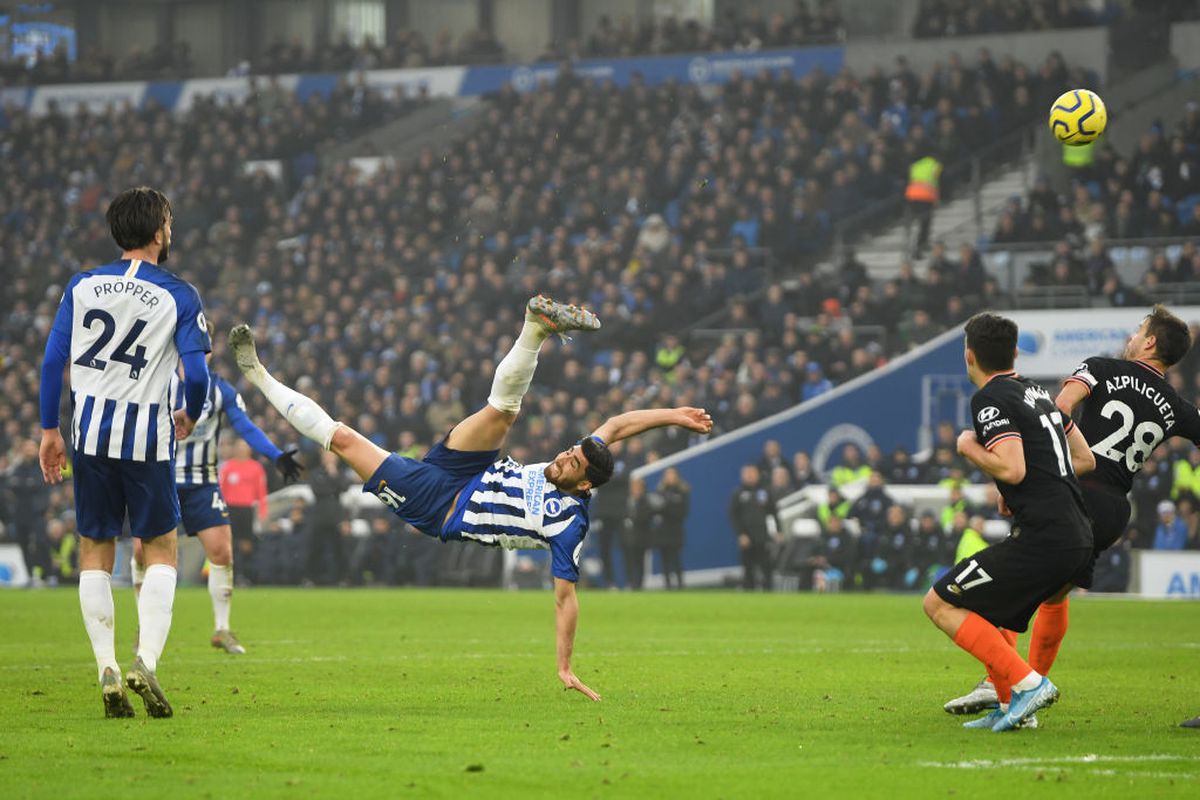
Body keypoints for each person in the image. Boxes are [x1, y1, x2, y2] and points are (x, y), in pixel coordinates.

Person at [228, 295, 712, 701]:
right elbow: (618, 425)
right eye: (570, 451)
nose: (563, 457)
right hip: (471, 467)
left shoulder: (568, 525)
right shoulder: (585, 458)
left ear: (584, 487)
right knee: (502, 412)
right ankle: (534, 328)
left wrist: (564, 666)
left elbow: (566, 599)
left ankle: (257, 374)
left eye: (572, 464)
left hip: (442, 507)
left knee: (346, 439)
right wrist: (675, 414)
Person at [945, 305, 1200, 716]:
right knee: (1053, 593)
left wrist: (1022, 481)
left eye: (1139, 330)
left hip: (1073, 490)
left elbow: (1056, 411)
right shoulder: (1175, 404)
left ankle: (1005, 684)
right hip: (1115, 508)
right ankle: (1024, 688)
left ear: (1150, 342)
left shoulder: (1101, 368)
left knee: (1016, 581)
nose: (1132, 336)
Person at [39, 186, 212, 718]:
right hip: (146, 440)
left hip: (88, 437)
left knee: (95, 549)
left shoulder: (82, 284)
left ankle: (106, 669)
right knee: (160, 548)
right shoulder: (178, 294)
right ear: (160, 230)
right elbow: (199, 374)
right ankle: (146, 661)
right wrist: (189, 412)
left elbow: (51, 364)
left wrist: (50, 431)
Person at [922, 312, 1096, 732]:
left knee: (940, 602)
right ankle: (1010, 708)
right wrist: (1017, 491)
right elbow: (1085, 460)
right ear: (1015, 352)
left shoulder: (989, 398)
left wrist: (968, 448)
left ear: (969, 355)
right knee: (995, 608)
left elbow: (1013, 468)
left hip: (1046, 537)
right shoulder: (1036, 392)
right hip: (1077, 531)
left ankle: (1026, 684)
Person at [130, 336, 304, 655]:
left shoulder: (222, 390)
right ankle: (144, 627)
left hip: (202, 484)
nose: (197, 355)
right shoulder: (156, 381)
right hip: (160, 478)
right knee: (142, 553)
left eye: (203, 349)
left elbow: (246, 427)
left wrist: (276, 455)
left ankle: (222, 629)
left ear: (209, 353)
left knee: (222, 552)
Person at [220, 440, 270, 582]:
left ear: (249, 450)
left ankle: (245, 575)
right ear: (235, 449)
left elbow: (261, 491)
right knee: (229, 543)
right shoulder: (228, 467)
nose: (242, 450)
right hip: (230, 509)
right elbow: (221, 490)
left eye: (244, 447)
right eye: (239, 447)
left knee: (246, 545)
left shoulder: (256, 467)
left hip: (246, 509)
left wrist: (263, 511)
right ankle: (231, 575)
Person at [729, 464, 774, 590]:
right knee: (748, 569)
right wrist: (740, 534)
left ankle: (769, 596)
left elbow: (773, 512)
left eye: (752, 473)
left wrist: (777, 531)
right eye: (747, 473)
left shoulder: (765, 492)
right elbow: (733, 516)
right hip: (746, 538)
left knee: (767, 568)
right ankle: (749, 595)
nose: (749, 476)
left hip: (763, 537)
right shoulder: (738, 494)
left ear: (757, 474)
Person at [656, 467, 689, 590]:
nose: (669, 477)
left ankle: (680, 585)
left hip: (676, 530)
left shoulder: (682, 491)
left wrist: (666, 508)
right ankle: (668, 585)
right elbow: (656, 509)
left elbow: (682, 512)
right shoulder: (660, 491)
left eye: (672, 474)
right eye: (667, 475)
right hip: (662, 531)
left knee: (676, 558)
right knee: (664, 559)